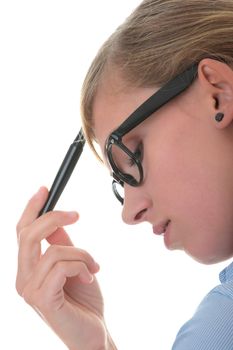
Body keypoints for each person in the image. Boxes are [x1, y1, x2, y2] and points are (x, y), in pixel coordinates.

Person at [16, 0, 233, 349]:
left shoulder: (223, 325)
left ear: (218, 96)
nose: (129, 213)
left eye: (132, 157)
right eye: (120, 181)